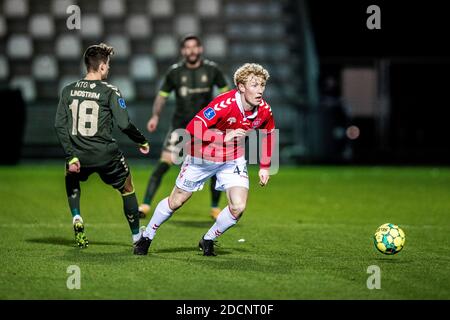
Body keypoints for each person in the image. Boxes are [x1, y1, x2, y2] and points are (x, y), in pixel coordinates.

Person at [134, 63, 275, 256]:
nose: (260, 90)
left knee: (238, 207)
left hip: (232, 159)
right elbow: (192, 128)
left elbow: (268, 134)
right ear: (241, 87)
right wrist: (222, 137)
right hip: (202, 156)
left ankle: (208, 238)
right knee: (176, 201)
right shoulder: (224, 104)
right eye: (254, 85)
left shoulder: (264, 110)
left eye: (262, 85)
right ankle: (147, 235)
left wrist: (265, 166)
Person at [55, 43, 150, 248]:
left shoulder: (68, 90)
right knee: (127, 187)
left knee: (71, 176)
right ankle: (136, 238)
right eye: (108, 64)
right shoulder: (110, 91)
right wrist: (141, 140)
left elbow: (59, 125)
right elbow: (124, 124)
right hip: (106, 154)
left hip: (78, 155)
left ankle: (77, 217)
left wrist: (70, 155)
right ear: (102, 67)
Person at [139, 34, 229, 220]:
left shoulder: (212, 70)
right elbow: (162, 96)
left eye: (194, 47)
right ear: (182, 51)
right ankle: (146, 204)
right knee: (163, 164)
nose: (191, 51)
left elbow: (225, 96)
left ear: (200, 49)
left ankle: (214, 208)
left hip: (207, 128)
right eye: (187, 48)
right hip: (180, 127)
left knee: (214, 167)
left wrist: (227, 120)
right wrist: (155, 115)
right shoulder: (175, 72)